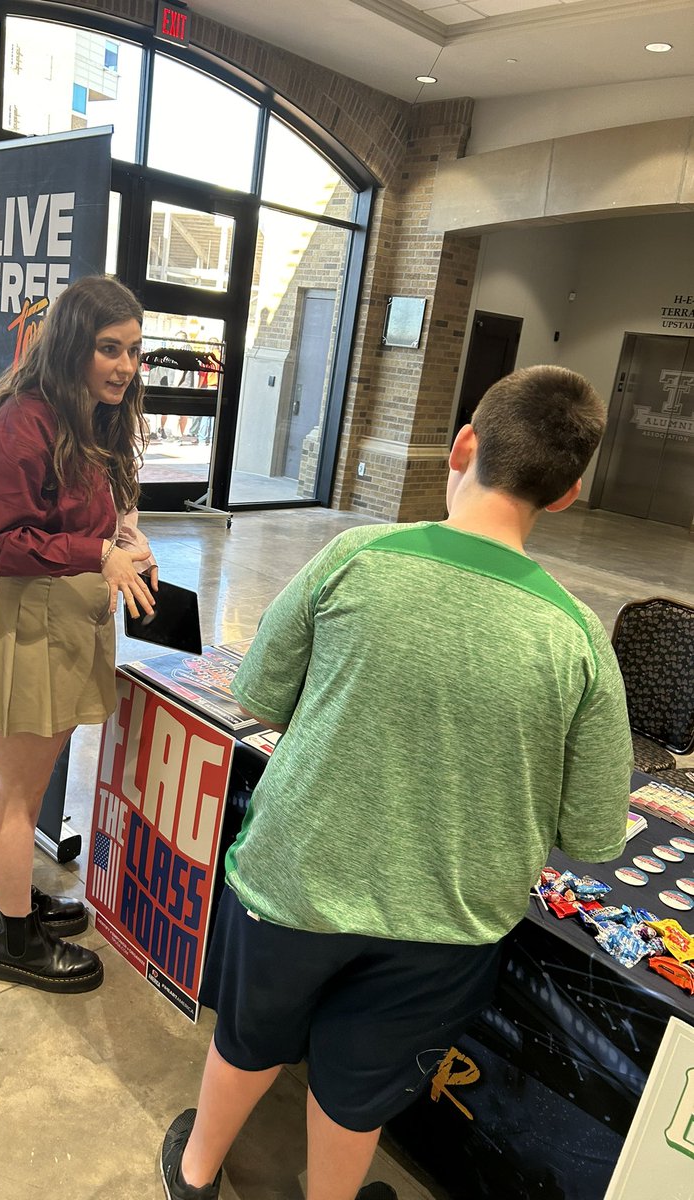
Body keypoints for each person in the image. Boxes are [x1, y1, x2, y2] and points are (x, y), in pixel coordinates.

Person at [160, 365, 634, 1200]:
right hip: (446, 920)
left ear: (463, 446)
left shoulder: (356, 557)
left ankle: (197, 1170)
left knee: (248, 1036)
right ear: (565, 495)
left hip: (294, 879)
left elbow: (258, 693)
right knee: (362, 1082)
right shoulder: (579, 638)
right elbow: (593, 830)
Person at [0, 275, 158, 994]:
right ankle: (16, 941)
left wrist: (126, 533)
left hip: (59, 620)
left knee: (22, 786)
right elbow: (1, 545)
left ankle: (7, 899)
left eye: (132, 350)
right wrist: (97, 553)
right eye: (108, 349)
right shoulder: (15, 425)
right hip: (23, 623)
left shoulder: (81, 414)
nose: (124, 366)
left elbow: (84, 508)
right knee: (17, 797)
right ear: (70, 346)